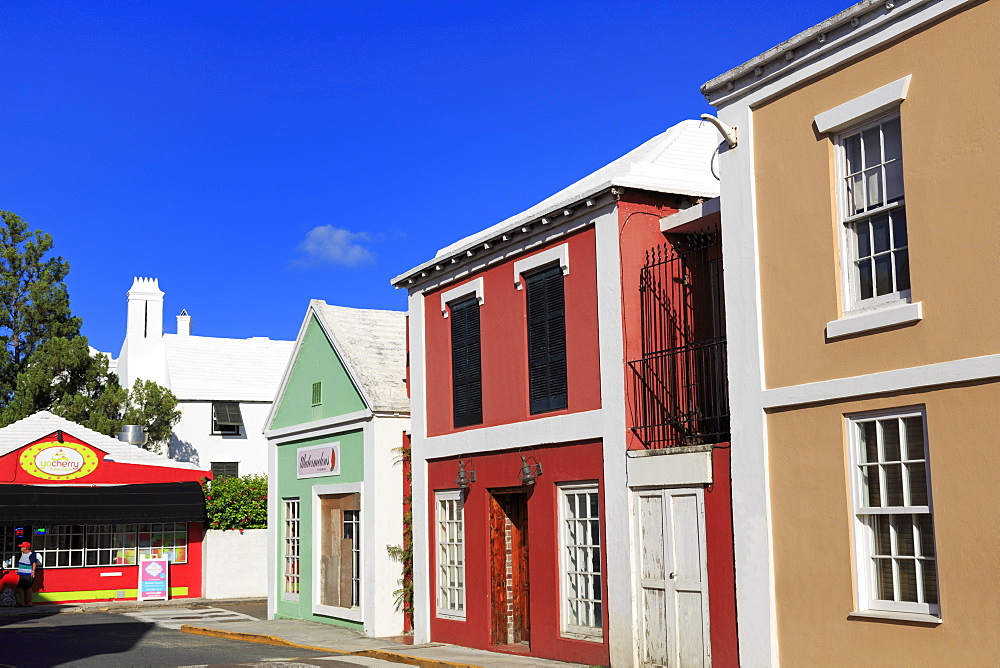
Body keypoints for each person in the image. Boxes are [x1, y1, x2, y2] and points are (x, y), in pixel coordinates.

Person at [15, 542, 38, 607]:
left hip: (28, 573)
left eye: (22, 547)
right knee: (21, 587)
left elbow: (34, 563)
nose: (21, 548)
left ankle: (28, 602)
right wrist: (18, 570)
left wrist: (33, 571)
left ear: (25, 548)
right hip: (22, 573)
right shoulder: (23, 554)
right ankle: (23, 602)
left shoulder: (31, 554)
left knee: (28, 587)